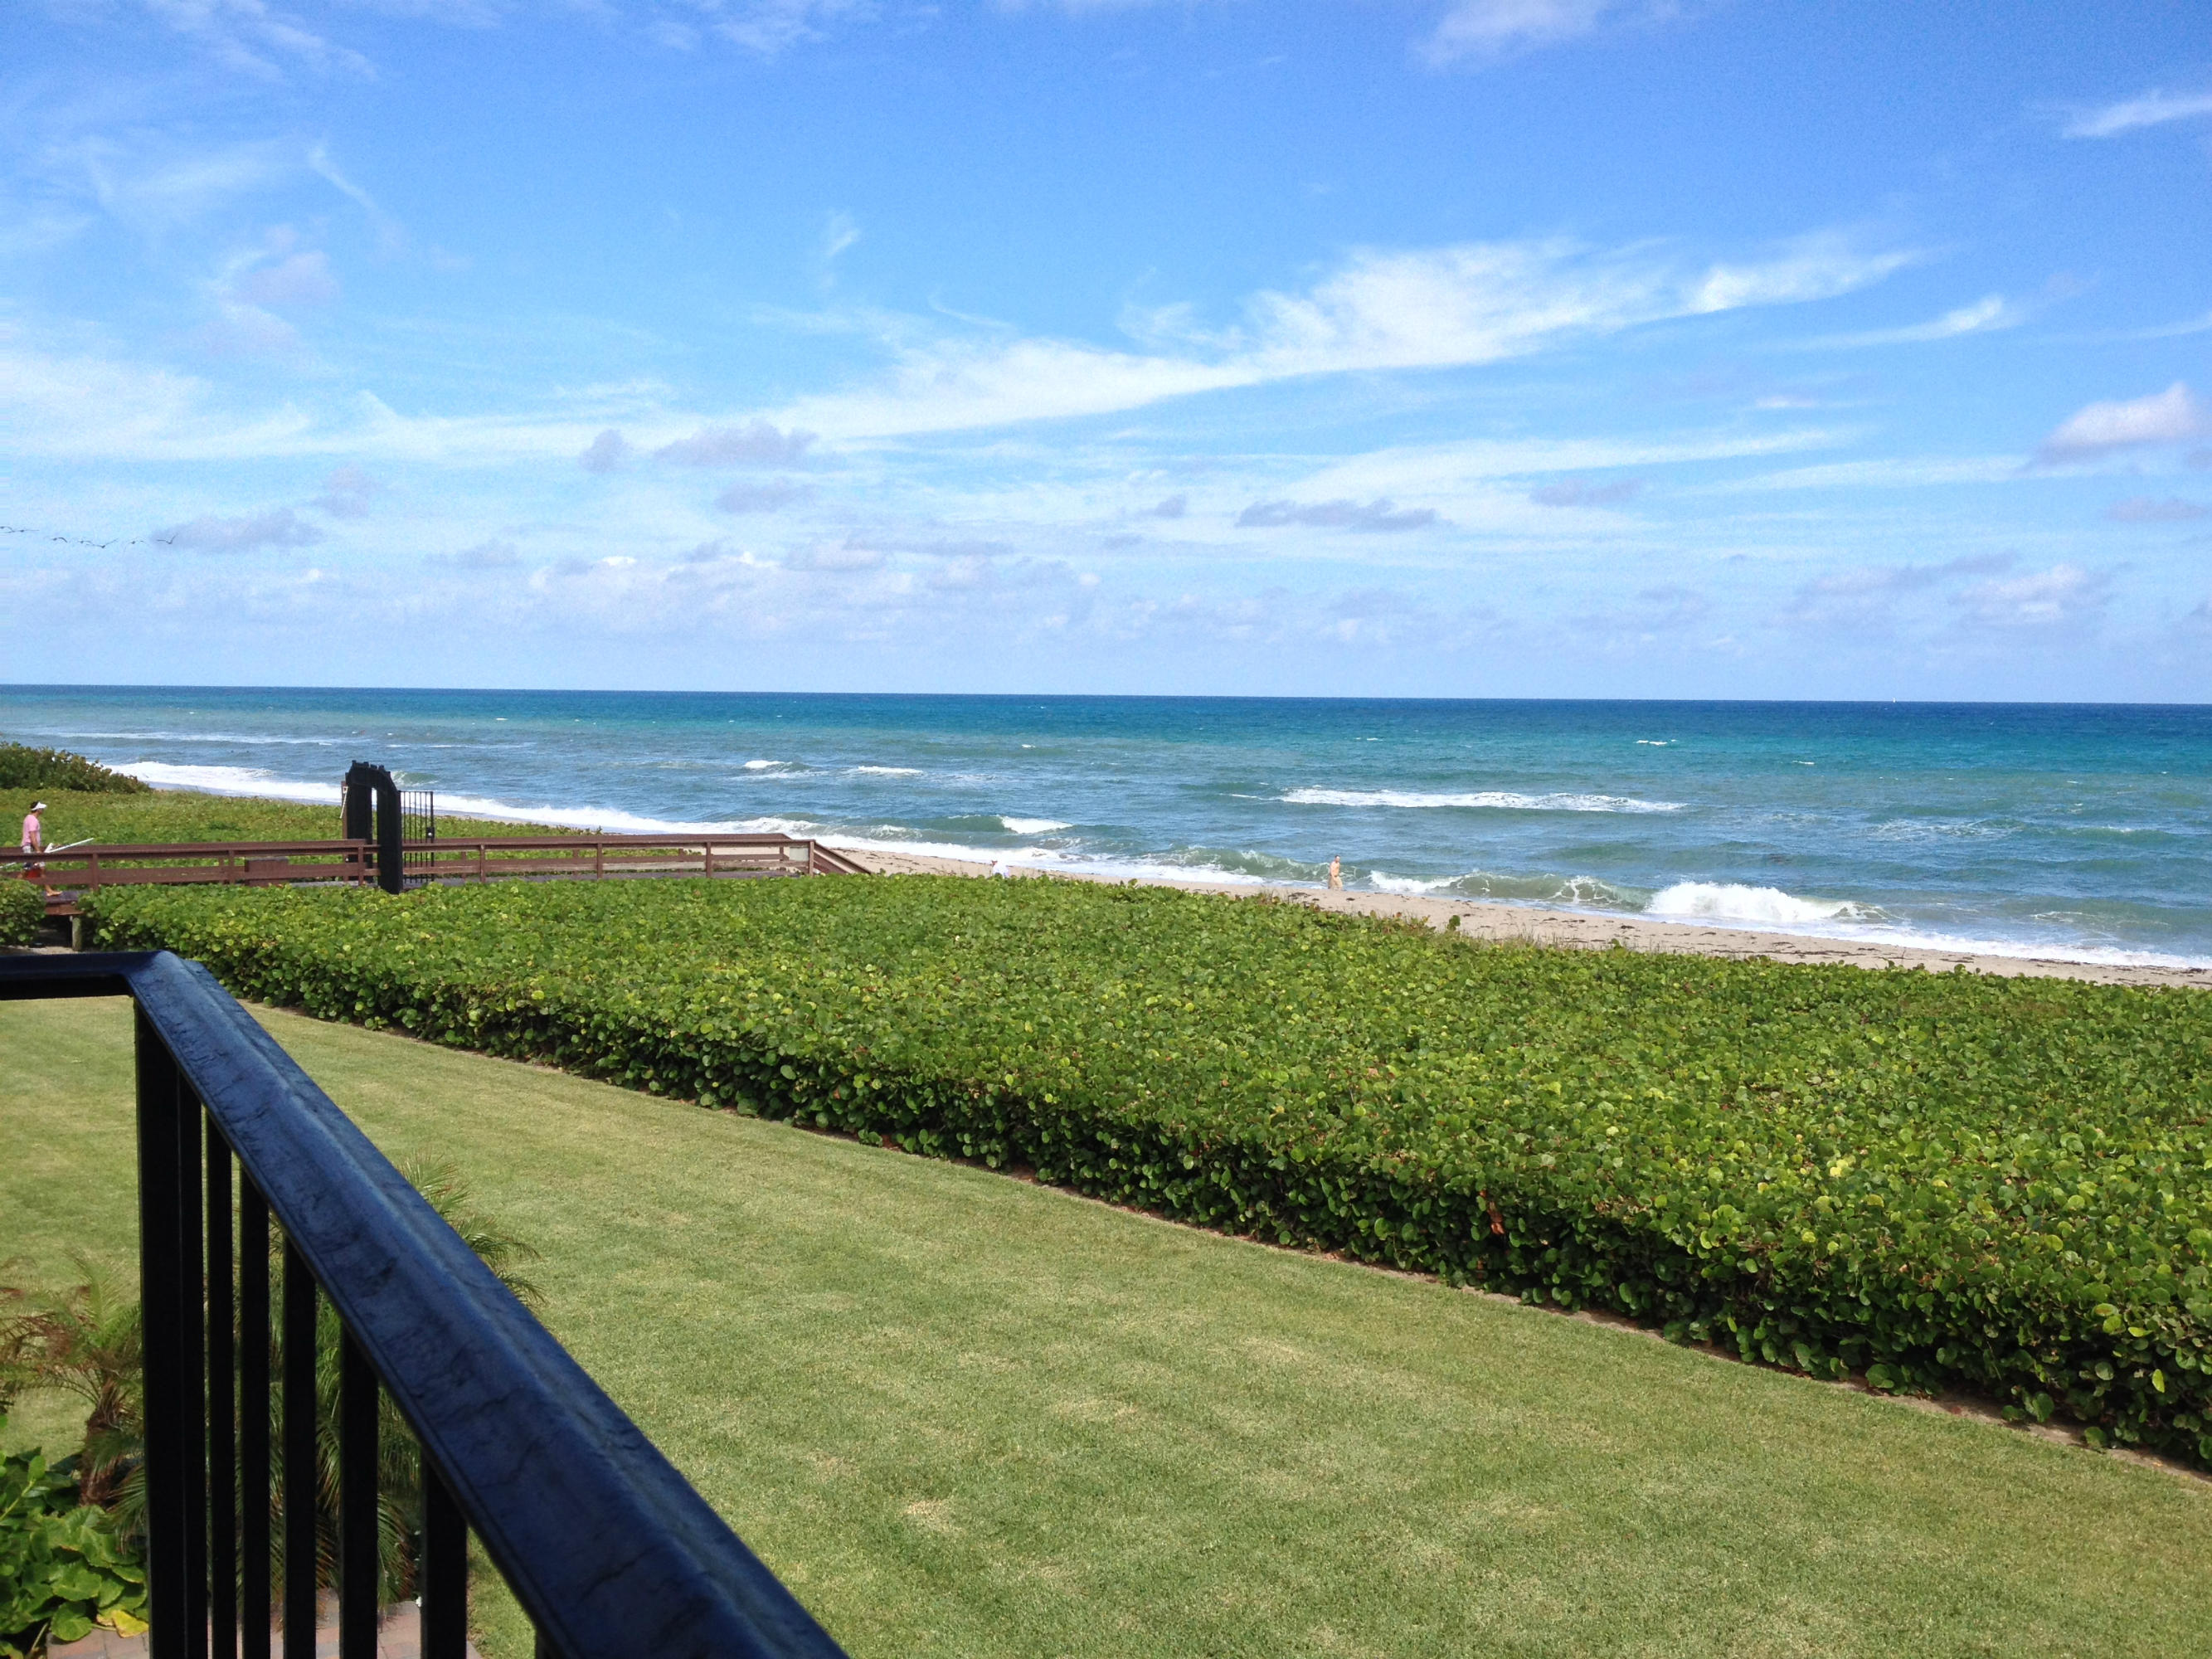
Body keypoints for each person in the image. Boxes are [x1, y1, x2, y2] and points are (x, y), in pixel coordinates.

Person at [20, 800, 49, 894]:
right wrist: (38, 850)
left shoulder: (28, 818)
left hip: (30, 846)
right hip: (30, 847)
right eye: (42, 809)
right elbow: (32, 836)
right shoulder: (33, 820)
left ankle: (48, 890)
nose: (43, 810)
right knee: (27, 869)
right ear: (38, 810)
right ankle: (15, 887)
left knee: (41, 868)